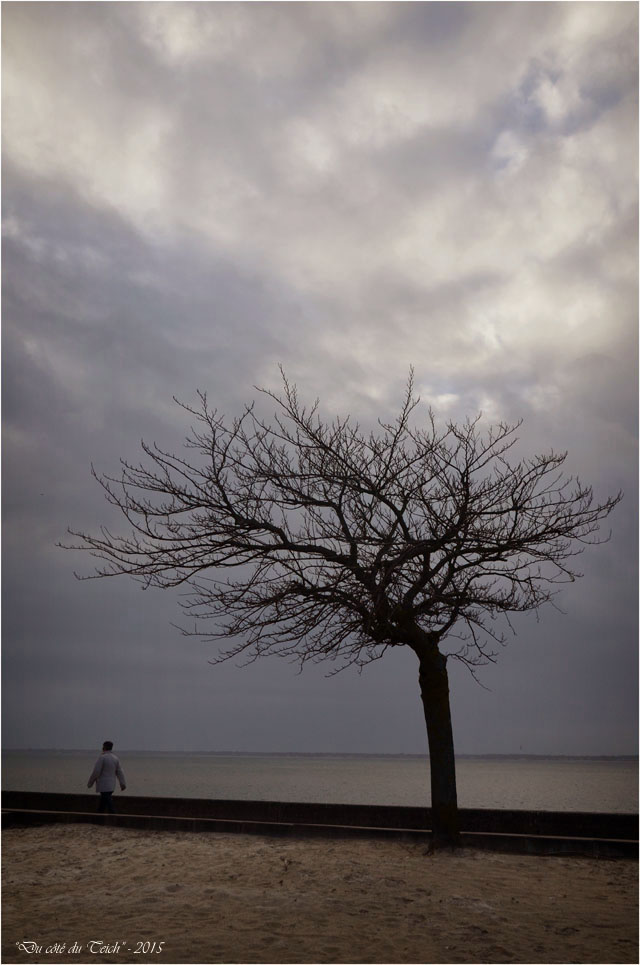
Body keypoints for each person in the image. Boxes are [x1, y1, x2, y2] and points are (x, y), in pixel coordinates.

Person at [87, 741, 126, 813]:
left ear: (105, 747)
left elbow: (96, 771)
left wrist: (90, 783)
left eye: (103, 746)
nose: (102, 748)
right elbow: (120, 772)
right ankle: (99, 815)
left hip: (103, 784)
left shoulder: (102, 758)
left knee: (108, 801)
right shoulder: (115, 758)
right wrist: (122, 784)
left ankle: (114, 814)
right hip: (111, 785)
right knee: (103, 803)